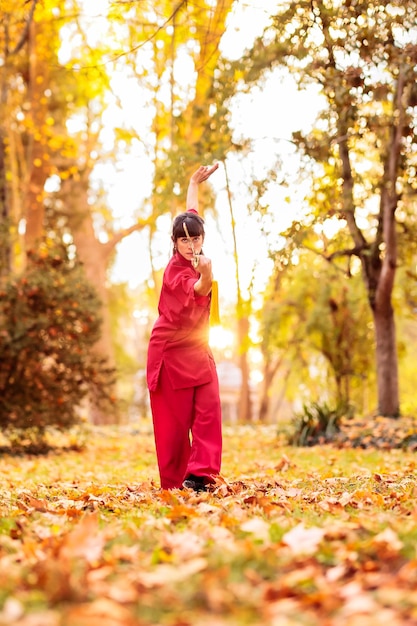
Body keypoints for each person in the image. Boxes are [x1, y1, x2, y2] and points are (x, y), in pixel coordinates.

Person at [146, 164, 222, 492]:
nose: (192, 244)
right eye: (184, 239)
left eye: (196, 238)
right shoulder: (177, 273)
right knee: (174, 427)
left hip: (197, 348)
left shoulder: (195, 243)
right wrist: (207, 275)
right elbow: (198, 290)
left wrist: (194, 182)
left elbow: (192, 213)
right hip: (169, 353)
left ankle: (200, 476)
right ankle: (179, 483)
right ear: (175, 243)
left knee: (209, 409)